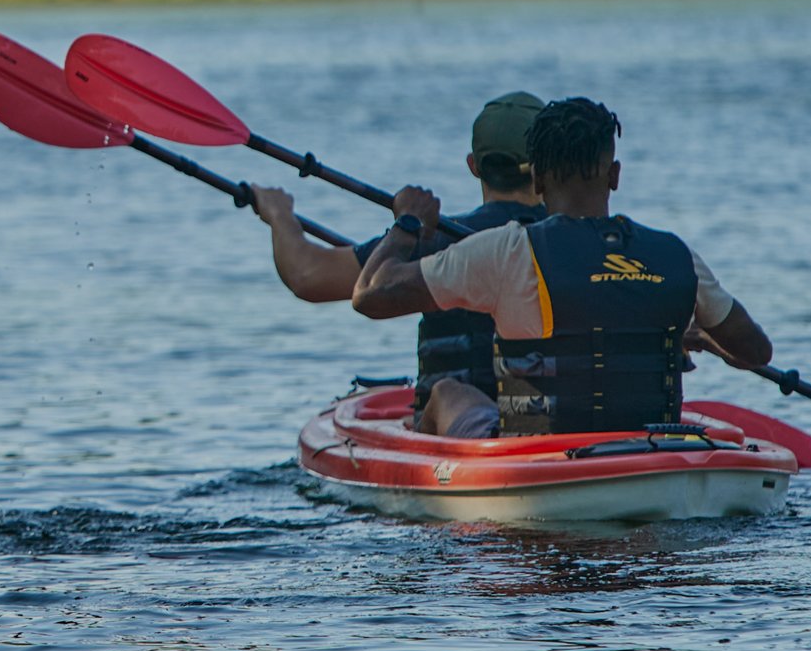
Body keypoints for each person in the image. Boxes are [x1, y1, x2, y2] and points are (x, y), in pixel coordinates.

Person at [352, 98, 773, 438]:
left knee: (446, 392)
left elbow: (371, 295)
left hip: (539, 462)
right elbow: (755, 352)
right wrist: (684, 334)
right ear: (615, 175)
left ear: (536, 180)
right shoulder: (676, 254)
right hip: (649, 455)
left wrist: (406, 224)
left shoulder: (506, 250)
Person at [248, 92, 548, 417]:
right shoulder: (580, 242)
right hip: (553, 425)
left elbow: (307, 275)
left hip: (458, 425)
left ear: (473, 166)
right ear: (544, 168)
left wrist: (278, 214)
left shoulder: (433, 239)